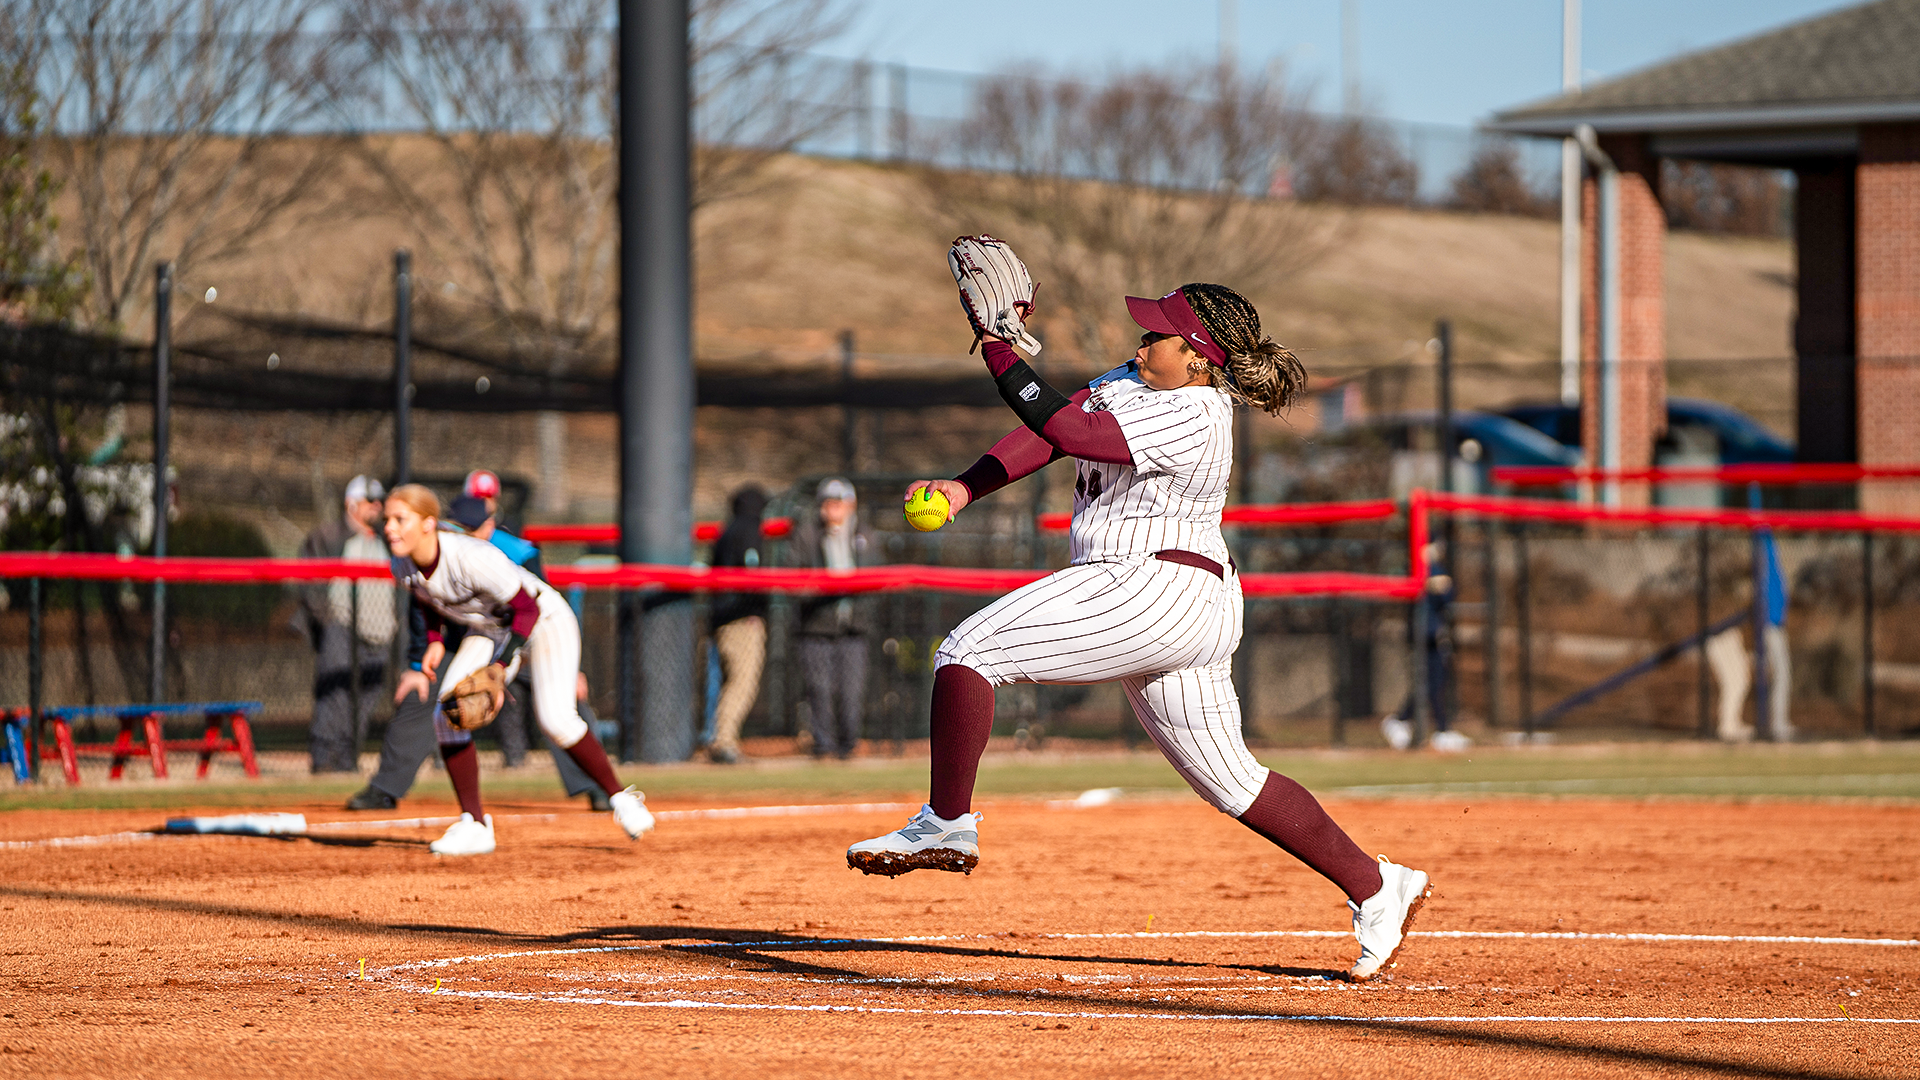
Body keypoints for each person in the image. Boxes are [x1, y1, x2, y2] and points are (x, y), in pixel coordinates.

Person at [846, 258, 1432, 982]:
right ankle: (1379, 888)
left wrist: (999, 348)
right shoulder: (1134, 379)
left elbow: (1065, 426)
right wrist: (967, 488)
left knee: (968, 651)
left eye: (1159, 331)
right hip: (1181, 597)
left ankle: (947, 822)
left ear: (1198, 356)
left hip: (1152, 583)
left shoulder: (1197, 414)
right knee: (1235, 783)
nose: (1143, 335)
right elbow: (1052, 434)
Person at [380, 484, 654, 855]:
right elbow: (428, 598)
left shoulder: (469, 556)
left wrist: (501, 663)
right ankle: (475, 824)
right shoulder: (402, 563)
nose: (390, 528)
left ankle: (621, 799)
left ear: (428, 523)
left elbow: (528, 608)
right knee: (447, 714)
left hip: (544, 620)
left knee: (556, 719)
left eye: (400, 519)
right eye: (387, 520)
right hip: (491, 628)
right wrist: (434, 640)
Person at [447, 494, 606, 803]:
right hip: (487, 637)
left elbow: (544, 606)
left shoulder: (515, 550)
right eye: (460, 526)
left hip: (530, 637)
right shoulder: (448, 551)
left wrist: (573, 669)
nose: (466, 533)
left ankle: (598, 786)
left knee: (563, 712)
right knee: (447, 697)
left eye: (473, 526)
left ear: (489, 523)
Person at [298, 475, 394, 773]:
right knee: (335, 694)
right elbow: (310, 581)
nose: (377, 507)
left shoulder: (388, 540)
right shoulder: (328, 535)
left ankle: (347, 759)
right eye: (370, 502)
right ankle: (325, 760)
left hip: (380, 631)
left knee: (366, 698)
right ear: (351, 505)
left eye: (380, 501)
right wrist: (326, 619)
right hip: (341, 624)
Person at [786, 477, 874, 759]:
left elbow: (879, 575)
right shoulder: (807, 534)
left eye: (838, 503)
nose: (831, 510)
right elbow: (792, 577)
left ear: (851, 505)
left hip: (854, 627)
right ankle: (823, 747)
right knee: (818, 691)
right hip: (816, 625)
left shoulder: (865, 535)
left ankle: (849, 746)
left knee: (851, 693)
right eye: (827, 503)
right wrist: (820, 589)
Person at [702, 485, 770, 763]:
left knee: (730, 680)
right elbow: (751, 574)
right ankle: (724, 742)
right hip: (742, 619)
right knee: (742, 682)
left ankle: (722, 738)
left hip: (723, 617)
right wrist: (754, 609)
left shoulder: (725, 531)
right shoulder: (748, 530)